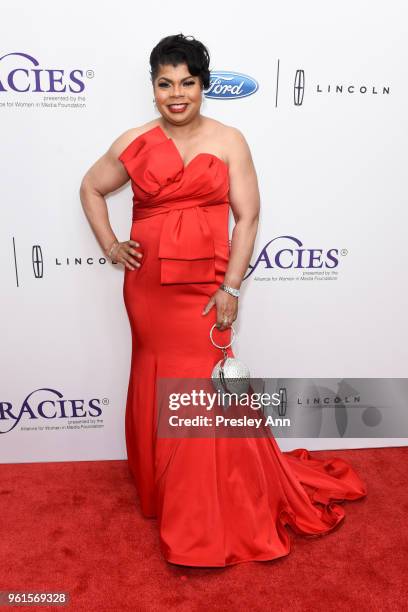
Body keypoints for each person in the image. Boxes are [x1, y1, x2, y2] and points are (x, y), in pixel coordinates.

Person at [79, 33, 367, 568]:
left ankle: (209, 504)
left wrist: (231, 286)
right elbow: (90, 187)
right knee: (153, 374)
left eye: (187, 82)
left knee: (201, 388)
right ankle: (165, 490)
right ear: (153, 88)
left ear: (203, 86)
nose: (176, 93)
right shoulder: (133, 140)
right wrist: (112, 245)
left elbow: (248, 217)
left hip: (206, 288)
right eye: (165, 84)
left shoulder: (230, 139)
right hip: (149, 294)